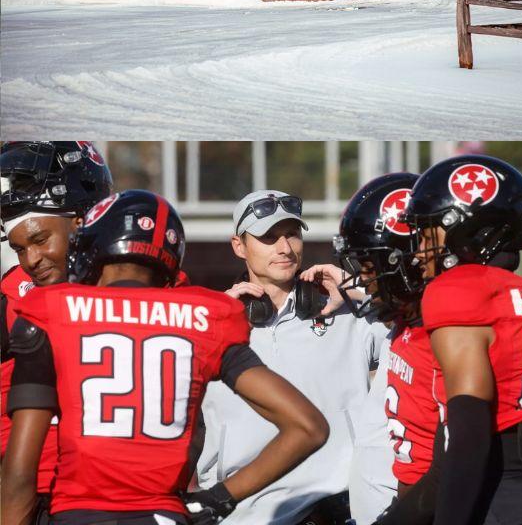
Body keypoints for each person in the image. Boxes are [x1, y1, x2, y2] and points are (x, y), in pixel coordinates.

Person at [1, 189, 328, 525]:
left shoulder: (51, 310)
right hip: (163, 515)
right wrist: (218, 499)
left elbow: (20, 471)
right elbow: (308, 427)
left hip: (77, 513)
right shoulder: (205, 317)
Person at [404, 155, 522, 525]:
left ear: (468, 232)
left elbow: (469, 431)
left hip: (493, 503)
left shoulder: (457, 289)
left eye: (427, 233)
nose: (420, 251)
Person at [196, 189, 390, 525]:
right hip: (244, 513)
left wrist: (360, 291)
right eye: (269, 237)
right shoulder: (205, 325)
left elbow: (429, 328)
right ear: (238, 246)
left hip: (341, 512)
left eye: (292, 235)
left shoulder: (350, 313)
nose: (285, 248)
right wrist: (212, 316)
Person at [0, 141, 114, 518]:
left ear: (81, 221)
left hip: (117, 501)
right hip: (31, 501)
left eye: (40, 239)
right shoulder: (11, 302)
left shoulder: (146, 292)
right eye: (19, 249)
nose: (31, 260)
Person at [333, 172, 444, 525]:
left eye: (369, 267)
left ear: (406, 262)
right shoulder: (405, 327)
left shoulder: (441, 336)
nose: (364, 280)